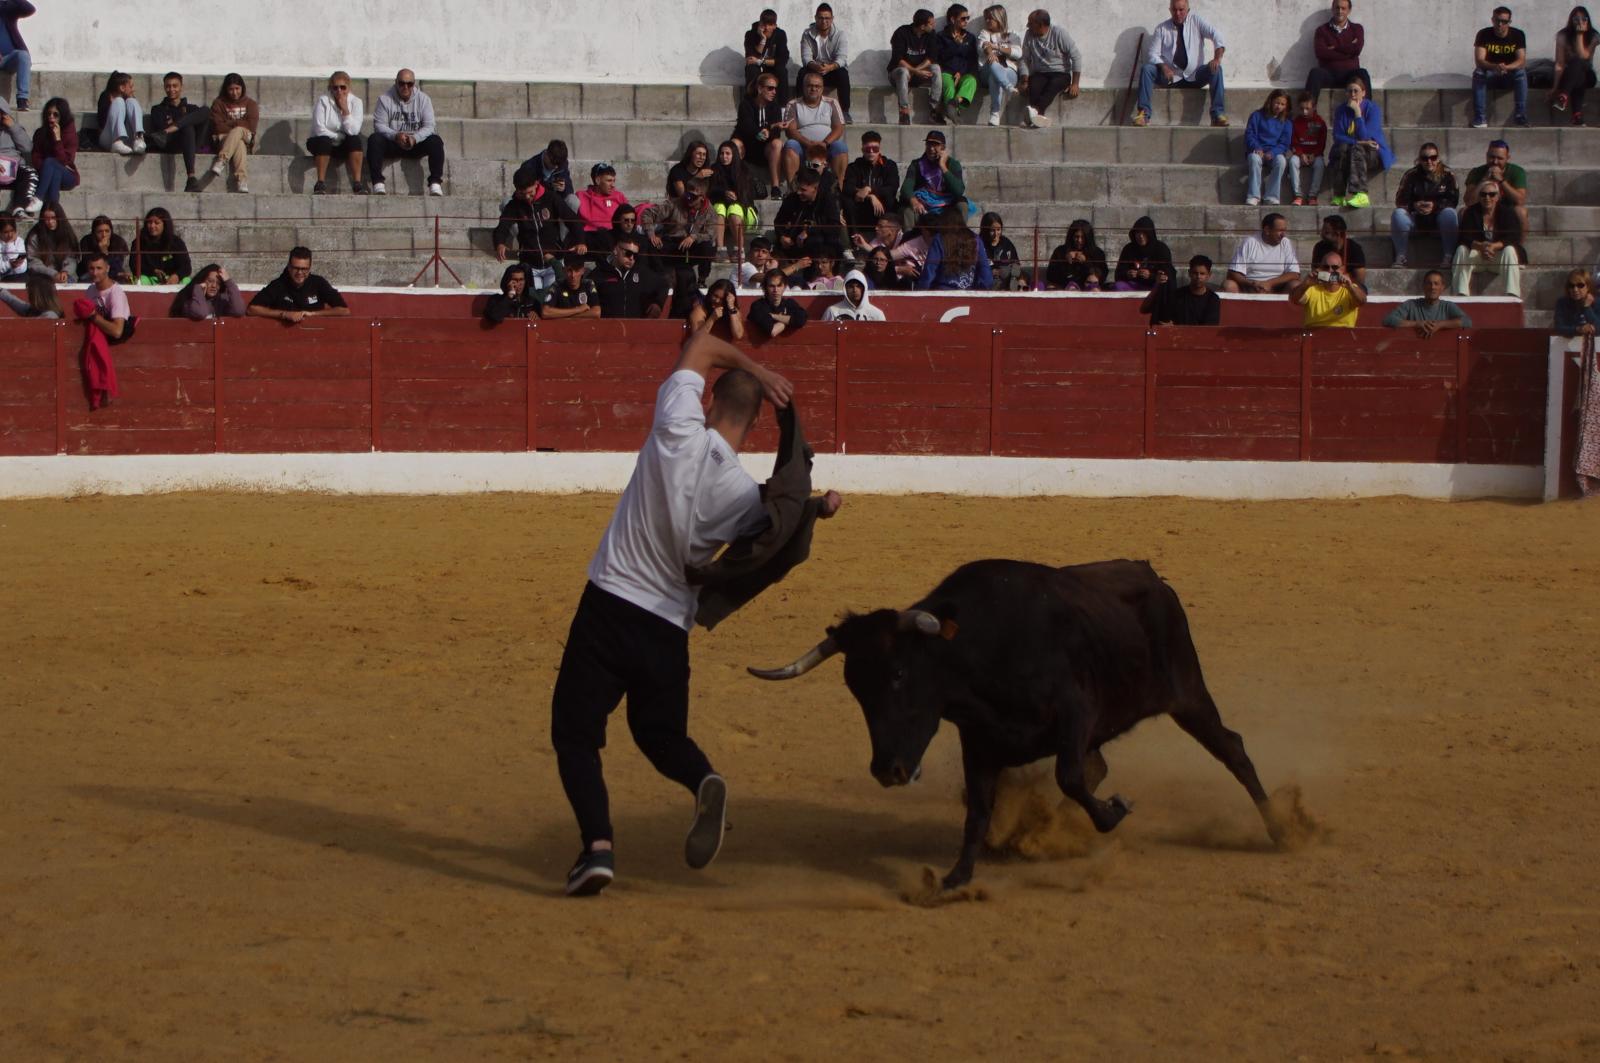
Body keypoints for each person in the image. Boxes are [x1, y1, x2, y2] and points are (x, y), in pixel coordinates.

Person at [549, 329, 831, 896]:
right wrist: (818, 508)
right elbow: (779, 524)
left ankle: (598, 848)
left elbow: (701, 343)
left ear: (709, 401)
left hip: (609, 606)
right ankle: (701, 776)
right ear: (753, 424)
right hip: (667, 629)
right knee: (658, 733)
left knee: (575, 734)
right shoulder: (745, 498)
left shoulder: (676, 426)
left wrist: (758, 367)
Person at [1134, 0, 1228, 128]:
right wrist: (1164, 67)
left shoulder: (1196, 21)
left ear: (1188, 10)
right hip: (1170, 77)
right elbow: (1152, 53)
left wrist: (1217, 58)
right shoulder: (1162, 28)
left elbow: (1216, 35)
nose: (1177, 13)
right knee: (1147, 69)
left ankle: (1217, 115)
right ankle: (1143, 114)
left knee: (1216, 69)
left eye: (1181, 10)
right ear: (1170, 10)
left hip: (1195, 75)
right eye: (1174, 10)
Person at [640, 176, 717, 317]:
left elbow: (711, 234)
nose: (689, 199)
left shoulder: (710, 212)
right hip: (672, 242)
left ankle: (702, 279)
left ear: (702, 197)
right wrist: (651, 234)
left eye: (693, 196)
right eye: (687, 194)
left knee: (708, 246)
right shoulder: (675, 203)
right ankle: (660, 275)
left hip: (693, 246)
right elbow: (647, 214)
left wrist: (694, 237)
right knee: (648, 245)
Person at [368, 69, 444, 197]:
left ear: (414, 84)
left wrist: (415, 138)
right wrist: (395, 135)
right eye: (402, 83)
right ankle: (377, 183)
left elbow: (430, 126)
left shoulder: (424, 99)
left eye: (409, 84)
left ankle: (435, 183)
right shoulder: (384, 99)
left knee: (436, 141)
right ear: (396, 82)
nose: (405, 87)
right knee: (374, 139)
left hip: (415, 143)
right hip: (394, 142)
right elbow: (379, 125)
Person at [1451, 179, 1525, 299]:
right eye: (1483, 194)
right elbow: (1464, 237)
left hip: (1498, 257)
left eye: (1492, 194)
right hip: (1477, 256)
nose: (1487, 197)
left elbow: (1513, 237)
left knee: (1510, 250)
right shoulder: (1471, 212)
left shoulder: (1507, 212)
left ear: (1498, 197)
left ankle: (1512, 295)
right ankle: (1460, 294)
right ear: (1479, 197)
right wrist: (1481, 246)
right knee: (1461, 250)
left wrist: (1493, 246)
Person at [1390, 143, 1461, 268]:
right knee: (1398, 214)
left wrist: (1435, 206)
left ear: (1438, 158)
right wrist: (1414, 205)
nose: (1429, 161)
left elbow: (1453, 200)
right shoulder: (1411, 175)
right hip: (1416, 218)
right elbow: (1400, 200)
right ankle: (1401, 256)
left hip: (1439, 220)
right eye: (1425, 158)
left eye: (1433, 158)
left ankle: (1448, 256)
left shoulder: (1448, 175)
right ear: (1419, 159)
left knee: (1450, 213)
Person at [1326, 79, 1391, 209]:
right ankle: (1339, 195)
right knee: (1342, 148)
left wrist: (1357, 113)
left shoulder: (1372, 109)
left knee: (1355, 148)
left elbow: (1366, 136)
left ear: (1364, 93)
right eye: (1349, 91)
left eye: (1356, 91)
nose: (1353, 94)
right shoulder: (1341, 110)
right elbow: (1338, 136)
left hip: (1372, 153)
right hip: (1350, 150)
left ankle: (1361, 193)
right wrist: (1358, 142)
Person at [145, 73, 212, 194]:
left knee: (206, 110)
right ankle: (191, 177)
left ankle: (173, 128)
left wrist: (172, 126)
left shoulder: (192, 108)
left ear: (181, 87)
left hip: (192, 145)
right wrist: (179, 125)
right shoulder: (157, 109)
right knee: (187, 127)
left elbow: (206, 115)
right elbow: (161, 132)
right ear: (164, 87)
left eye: (175, 86)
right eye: (168, 86)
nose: (171, 89)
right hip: (169, 143)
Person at [494, 169, 572, 271]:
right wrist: (500, 243)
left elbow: (572, 219)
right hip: (530, 262)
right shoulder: (515, 204)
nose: (527, 197)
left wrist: (580, 241)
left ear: (536, 184)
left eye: (530, 192)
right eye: (522, 193)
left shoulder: (551, 198)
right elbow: (502, 226)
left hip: (552, 258)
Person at [1017, 8, 1083, 129]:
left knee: (1053, 85)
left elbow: (1076, 57)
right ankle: (1038, 118)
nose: (1027, 26)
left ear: (1040, 25)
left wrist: (1075, 84)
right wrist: (1024, 80)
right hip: (1040, 72)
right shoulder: (1029, 35)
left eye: (1030, 23)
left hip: (1060, 73)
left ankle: (1035, 111)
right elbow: (1024, 59)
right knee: (1035, 85)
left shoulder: (1059, 33)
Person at [247, 247, 351, 323]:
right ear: (289, 267)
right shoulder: (278, 285)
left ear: (309, 268)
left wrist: (313, 314)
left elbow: (344, 310)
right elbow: (252, 309)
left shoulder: (319, 283)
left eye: (304, 269)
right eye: (296, 268)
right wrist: (284, 314)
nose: (300, 273)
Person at [783, 70, 847, 186]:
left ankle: (840, 187)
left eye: (817, 86)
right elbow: (790, 131)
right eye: (810, 86)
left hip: (826, 147)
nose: (814, 89)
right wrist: (808, 143)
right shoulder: (793, 104)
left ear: (822, 88)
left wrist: (824, 143)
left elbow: (839, 128)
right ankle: (792, 188)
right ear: (803, 87)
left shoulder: (832, 103)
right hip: (803, 148)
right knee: (790, 144)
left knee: (840, 146)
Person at [78, 252, 125, 409]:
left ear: (107, 268)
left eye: (99, 268)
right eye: (91, 268)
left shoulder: (116, 293)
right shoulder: (90, 291)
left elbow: (117, 331)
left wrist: (93, 317)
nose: (95, 272)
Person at [308, 71, 367, 195]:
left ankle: (357, 183)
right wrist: (338, 136)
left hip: (343, 143)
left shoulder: (356, 102)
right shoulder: (323, 101)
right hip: (320, 142)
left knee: (355, 140)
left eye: (343, 87)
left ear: (348, 88)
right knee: (324, 140)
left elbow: (353, 130)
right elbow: (319, 129)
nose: (339, 91)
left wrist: (345, 110)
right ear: (331, 88)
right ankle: (320, 183)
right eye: (335, 88)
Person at [732, 74, 787, 200]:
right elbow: (746, 127)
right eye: (770, 88)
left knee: (777, 143)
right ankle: (736, 185)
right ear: (759, 88)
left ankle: (775, 188)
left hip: (765, 149)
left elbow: (776, 133)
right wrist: (766, 129)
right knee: (735, 144)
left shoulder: (775, 107)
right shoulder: (746, 104)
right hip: (747, 145)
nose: (774, 92)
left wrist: (769, 131)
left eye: (775, 88)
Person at [1473, 6, 1529, 127]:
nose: (1500, 24)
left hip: (1509, 75)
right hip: (1490, 74)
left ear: (1509, 22)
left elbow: (1521, 60)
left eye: (1504, 22)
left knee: (1521, 73)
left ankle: (1520, 115)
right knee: (1478, 73)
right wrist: (1495, 67)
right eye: (1497, 20)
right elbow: (1479, 60)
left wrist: (1506, 68)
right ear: (1492, 20)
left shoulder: (1517, 34)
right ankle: (1480, 118)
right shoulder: (1483, 34)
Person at [899, 130, 965, 231]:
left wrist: (943, 167)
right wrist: (914, 201)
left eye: (935, 145)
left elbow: (959, 191)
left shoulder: (953, 164)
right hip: (923, 205)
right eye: (929, 144)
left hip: (946, 205)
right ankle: (909, 241)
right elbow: (906, 188)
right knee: (908, 211)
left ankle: (959, 239)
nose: (931, 148)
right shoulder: (917, 164)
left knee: (962, 205)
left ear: (943, 148)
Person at [1305, 0, 1371, 101]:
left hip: (1350, 75)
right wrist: (1348, 50)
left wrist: (1334, 47)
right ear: (1332, 9)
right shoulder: (1322, 30)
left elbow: (1356, 50)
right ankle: (1308, 111)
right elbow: (1321, 53)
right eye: (1337, 8)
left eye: (1343, 8)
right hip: (1328, 74)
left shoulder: (1357, 29)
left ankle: (1367, 111)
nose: (1340, 11)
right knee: (1315, 73)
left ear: (1349, 10)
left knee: (1363, 73)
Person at [1464, 139, 1530, 239]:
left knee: (1521, 212)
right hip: (1482, 209)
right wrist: (1483, 180)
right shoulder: (1477, 172)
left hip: (1507, 209)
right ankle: (1469, 245)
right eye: (1492, 157)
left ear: (1507, 158)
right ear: (1486, 156)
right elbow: (1468, 201)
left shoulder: (1517, 172)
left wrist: (1502, 181)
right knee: (1463, 211)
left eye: (1500, 158)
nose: (1495, 162)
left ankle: (1518, 248)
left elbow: (1520, 200)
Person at [889, 9, 945, 125]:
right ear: (922, 26)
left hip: (917, 73)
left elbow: (932, 57)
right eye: (931, 23)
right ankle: (904, 111)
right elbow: (898, 59)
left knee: (936, 68)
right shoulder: (901, 33)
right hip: (898, 74)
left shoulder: (931, 34)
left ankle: (934, 110)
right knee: (903, 71)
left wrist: (916, 71)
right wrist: (913, 71)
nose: (934, 25)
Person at [798, 4, 852, 123]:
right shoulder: (807, 34)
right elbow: (806, 58)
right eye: (821, 18)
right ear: (815, 18)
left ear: (832, 19)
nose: (824, 21)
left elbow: (842, 58)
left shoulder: (840, 35)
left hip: (832, 70)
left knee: (843, 73)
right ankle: (799, 108)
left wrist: (830, 67)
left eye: (827, 18)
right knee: (802, 73)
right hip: (815, 69)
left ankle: (845, 111)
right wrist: (816, 66)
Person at [839, 130, 899, 238]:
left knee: (891, 199)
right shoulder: (854, 167)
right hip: (862, 206)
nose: (871, 152)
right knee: (847, 200)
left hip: (882, 205)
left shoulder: (890, 166)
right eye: (867, 149)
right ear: (862, 149)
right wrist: (870, 196)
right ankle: (855, 240)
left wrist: (869, 190)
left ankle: (889, 238)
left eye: (875, 149)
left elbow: (892, 188)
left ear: (879, 150)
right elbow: (847, 188)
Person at [917, 204, 992, 290]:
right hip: (969, 295)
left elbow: (929, 272)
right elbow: (987, 277)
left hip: (942, 295)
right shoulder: (976, 239)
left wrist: (921, 290)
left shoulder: (939, 239)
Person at [774, 168, 843, 261]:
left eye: (803, 190)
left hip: (818, 244)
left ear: (815, 188)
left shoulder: (827, 200)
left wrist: (809, 231)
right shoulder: (791, 199)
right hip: (793, 243)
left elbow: (834, 227)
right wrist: (782, 236)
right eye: (798, 188)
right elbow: (779, 221)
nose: (799, 192)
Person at [1224, 213, 1300, 293]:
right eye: (1280, 230)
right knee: (1229, 285)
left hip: (1277, 288)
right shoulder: (1250, 242)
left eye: (1284, 230)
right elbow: (1232, 273)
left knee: (1296, 285)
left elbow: (1295, 273)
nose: (1283, 235)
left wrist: (1269, 283)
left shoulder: (1286, 243)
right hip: (1250, 288)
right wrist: (1253, 284)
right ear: (1267, 230)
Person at [708, 140, 759, 261]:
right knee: (719, 207)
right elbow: (710, 191)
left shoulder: (743, 170)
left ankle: (739, 249)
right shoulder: (714, 169)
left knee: (733, 209)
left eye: (727, 153)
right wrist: (724, 193)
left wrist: (734, 196)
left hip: (742, 209)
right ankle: (720, 249)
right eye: (721, 153)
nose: (724, 157)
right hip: (721, 208)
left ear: (734, 155)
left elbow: (746, 195)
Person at [208, 73, 258, 194]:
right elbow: (218, 126)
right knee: (239, 143)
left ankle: (222, 160)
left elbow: (251, 125)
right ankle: (241, 180)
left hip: (247, 136)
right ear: (226, 89)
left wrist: (230, 123)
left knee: (239, 131)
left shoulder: (250, 103)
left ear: (242, 88)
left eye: (237, 89)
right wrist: (240, 123)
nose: (234, 92)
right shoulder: (218, 103)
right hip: (225, 138)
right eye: (231, 89)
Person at [592, 235, 664, 319]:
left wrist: (658, 303)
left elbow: (663, 285)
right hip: (606, 328)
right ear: (615, 250)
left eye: (635, 255)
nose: (632, 258)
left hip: (634, 328)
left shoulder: (641, 273)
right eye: (628, 253)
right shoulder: (599, 273)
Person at [1289, 247, 1365, 327]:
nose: (1330, 271)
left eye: (1335, 267)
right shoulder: (1312, 288)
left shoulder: (1350, 289)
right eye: (1326, 267)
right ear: (1320, 269)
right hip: (1314, 336)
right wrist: (1305, 284)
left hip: (1343, 335)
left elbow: (1362, 301)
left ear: (1342, 269)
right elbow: (1295, 300)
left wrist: (1350, 287)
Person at [1382, 270, 1474, 335]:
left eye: (1436, 284)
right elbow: (1388, 319)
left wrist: (1440, 324)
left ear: (1442, 287)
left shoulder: (1447, 306)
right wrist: (1417, 324)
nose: (1432, 287)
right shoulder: (1411, 305)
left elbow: (1467, 321)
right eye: (1429, 283)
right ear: (1423, 286)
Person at [1550, 6, 1598, 125]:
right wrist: (1555, 87)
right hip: (1569, 76)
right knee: (1577, 76)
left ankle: (1564, 95)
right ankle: (1577, 115)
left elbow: (1584, 56)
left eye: (1583, 19)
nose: (1580, 22)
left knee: (1578, 62)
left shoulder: (1594, 36)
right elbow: (1560, 63)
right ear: (1571, 20)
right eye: (1576, 19)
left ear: (1588, 21)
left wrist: (1580, 35)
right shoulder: (1563, 35)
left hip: (1588, 75)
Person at [978, 5, 1024, 127]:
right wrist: (990, 53)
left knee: (995, 78)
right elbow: (983, 46)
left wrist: (997, 47)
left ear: (999, 18)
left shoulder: (1012, 34)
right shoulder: (985, 33)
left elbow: (1018, 53)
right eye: (986, 18)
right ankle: (1007, 86)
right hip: (986, 72)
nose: (987, 21)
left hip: (1010, 72)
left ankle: (995, 114)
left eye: (990, 18)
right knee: (993, 65)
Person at [1243, 89, 1291, 206]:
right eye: (1277, 103)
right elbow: (1250, 135)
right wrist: (1257, 147)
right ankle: (1253, 195)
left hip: (1273, 153)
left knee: (1281, 161)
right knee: (1254, 159)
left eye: (1282, 104)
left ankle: (1271, 196)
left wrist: (1273, 152)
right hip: (1257, 151)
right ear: (1270, 101)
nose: (1279, 106)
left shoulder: (1286, 122)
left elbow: (1284, 143)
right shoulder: (1257, 116)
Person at [1142, 255, 1221, 325]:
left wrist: (1176, 328)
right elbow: (1144, 309)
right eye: (1195, 273)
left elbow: (1208, 330)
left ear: (1209, 275)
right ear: (1189, 273)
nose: (1198, 277)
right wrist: (1157, 285)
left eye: (1202, 274)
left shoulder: (1213, 300)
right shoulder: (1177, 295)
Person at [936, 5, 982, 120]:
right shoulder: (941, 37)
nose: (966, 21)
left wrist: (960, 72)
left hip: (963, 72)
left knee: (971, 81)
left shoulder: (970, 38)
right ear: (952, 19)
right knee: (949, 86)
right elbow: (941, 57)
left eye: (968, 18)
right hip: (946, 71)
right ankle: (954, 113)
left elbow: (972, 60)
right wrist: (956, 45)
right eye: (963, 18)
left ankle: (956, 102)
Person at [575, 162, 630, 256]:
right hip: (590, 237)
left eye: (614, 181)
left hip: (614, 236)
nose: (613, 185)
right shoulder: (581, 196)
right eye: (609, 181)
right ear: (597, 180)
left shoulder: (619, 196)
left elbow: (630, 216)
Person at [28, 96, 74, 204]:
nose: (51, 117)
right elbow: (35, 157)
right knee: (54, 172)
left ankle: (38, 197)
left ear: (62, 116)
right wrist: (47, 170)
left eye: (55, 114)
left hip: (67, 174)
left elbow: (64, 161)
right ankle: (53, 208)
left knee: (51, 162)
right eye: (48, 114)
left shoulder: (69, 134)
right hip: (47, 173)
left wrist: (58, 139)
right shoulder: (40, 133)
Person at [514, 140, 577, 217]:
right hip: (537, 204)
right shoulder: (530, 166)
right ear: (546, 154)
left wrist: (564, 188)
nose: (556, 167)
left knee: (573, 200)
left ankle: (567, 229)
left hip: (556, 203)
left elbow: (569, 190)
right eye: (553, 163)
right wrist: (550, 186)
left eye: (558, 164)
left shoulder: (562, 164)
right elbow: (525, 192)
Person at [130, 207, 191, 285]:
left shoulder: (176, 242)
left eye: (156, 223)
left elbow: (186, 266)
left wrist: (177, 276)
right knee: (142, 280)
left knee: (187, 281)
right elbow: (134, 265)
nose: (152, 226)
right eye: (149, 222)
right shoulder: (138, 242)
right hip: (150, 278)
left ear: (165, 224)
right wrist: (152, 271)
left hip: (172, 279)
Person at [1113, 216, 1174, 292]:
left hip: (1154, 286)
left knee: (1163, 284)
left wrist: (1151, 276)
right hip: (1134, 285)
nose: (1141, 236)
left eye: (1144, 233)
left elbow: (1168, 275)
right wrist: (1128, 274)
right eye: (1138, 233)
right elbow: (1118, 274)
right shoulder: (1128, 249)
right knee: (1118, 286)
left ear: (1150, 234)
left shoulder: (1161, 249)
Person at [0, 92, 38, 215]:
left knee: (30, 173)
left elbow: (27, 148)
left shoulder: (14, 128)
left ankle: (20, 207)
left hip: (13, 166)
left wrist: (12, 127)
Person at [1289, 90, 1328, 206]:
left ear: (1314, 107)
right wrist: (1301, 154)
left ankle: (1312, 195)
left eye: (1308, 108)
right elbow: (1294, 142)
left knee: (1320, 164)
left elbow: (1322, 143)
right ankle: (1298, 195)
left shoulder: (1320, 123)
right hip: (1300, 154)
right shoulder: (1295, 123)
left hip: (1315, 155)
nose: (1305, 112)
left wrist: (1314, 154)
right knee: (1292, 161)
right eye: (1302, 109)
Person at [744, 9, 791, 105]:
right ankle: (751, 105)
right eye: (763, 24)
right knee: (751, 69)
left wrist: (760, 61)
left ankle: (782, 107)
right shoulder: (750, 34)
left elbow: (782, 60)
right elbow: (750, 58)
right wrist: (762, 40)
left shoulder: (780, 34)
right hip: (757, 69)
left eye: (769, 25)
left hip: (771, 69)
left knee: (782, 70)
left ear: (774, 26)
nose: (765, 28)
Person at [1044, 218, 1107, 291]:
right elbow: (1050, 275)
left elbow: (1103, 275)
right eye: (1076, 237)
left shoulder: (1097, 252)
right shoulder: (1060, 251)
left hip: (1089, 287)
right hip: (1065, 286)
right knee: (1051, 287)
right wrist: (1066, 261)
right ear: (1071, 237)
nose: (1079, 240)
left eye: (1083, 237)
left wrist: (1086, 262)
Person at [1310, 214, 1366, 291]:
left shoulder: (1354, 248)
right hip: (1325, 285)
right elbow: (1316, 274)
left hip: (1348, 286)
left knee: (1361, 289)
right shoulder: (1319, 247)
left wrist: (1344, 279)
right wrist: (1337, 277)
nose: (1322, 234)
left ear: (1337, 234)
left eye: (1326, 232)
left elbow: (1360, 279)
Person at [96, 73, 146, 156]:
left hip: (127, 138)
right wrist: (115, 106)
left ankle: (139, 138)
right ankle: (117, 141)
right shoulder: (105, 97)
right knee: (119, 101)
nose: (133, 89)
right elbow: (102, 122)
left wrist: (130, 99)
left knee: (132, 102)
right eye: (131, 86)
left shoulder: (129, 99)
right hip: (109, 137)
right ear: (122, 88)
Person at [748, 268, 808, 336]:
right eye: (771, 286)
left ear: (784, 287)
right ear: (765, 288)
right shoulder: (758, 306)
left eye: (779, 285)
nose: (775, 290)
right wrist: (787, 320)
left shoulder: (789, 303)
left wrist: (773, 316)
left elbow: (801, 319)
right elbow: (772, 330)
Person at [172, 264, 245, 320]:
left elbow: (239, 311)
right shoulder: (190, 301)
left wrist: (228, 281)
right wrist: (198, 289)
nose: (214, 286)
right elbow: (200, 313)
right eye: (210, 281)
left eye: (218, 283)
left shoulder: (221, 300)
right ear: (202, 281)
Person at [25, 200, 74, 282]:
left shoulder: (67, 234)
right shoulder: (35, 236)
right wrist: (53, 274)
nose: (50, 222)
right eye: (47, 219)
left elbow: (71, 258)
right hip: (42, 276)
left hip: (64, 275)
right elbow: (33, 261)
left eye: (53, 218)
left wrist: (65, 271)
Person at [542, 255, 602, 320]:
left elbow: (596, 312)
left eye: (577, 270)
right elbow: (545, 312)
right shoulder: (557, 285)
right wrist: (578, 309)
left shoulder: (588, 284)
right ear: (564, 270)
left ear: (583, 270)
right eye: (569, 270)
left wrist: (565, 317)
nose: (573, 275)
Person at [0, 1, 34, 113]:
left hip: (9, 58)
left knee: (23, 55)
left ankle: (22, 99)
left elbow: (29, 9)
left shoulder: (6, 8)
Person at [76, 215, 130, 284]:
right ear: (94, 233)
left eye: (107, 231)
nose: (104, 235)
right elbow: (88, 265)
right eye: (100, 232)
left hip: (113, 273)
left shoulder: (118, 241)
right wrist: (101, 251)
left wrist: (105, 252)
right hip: (91, 273)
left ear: (111, 231)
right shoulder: (86, 241)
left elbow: (117, 267)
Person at [981, 212, 1025, 290]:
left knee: (1022, 276)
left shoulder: (1006, 243)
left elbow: (1016, 263)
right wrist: (994, 272)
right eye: (992, 230)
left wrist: (1021, 279)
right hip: (989, 278)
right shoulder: (980, 244)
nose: (995, 234)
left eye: (998, 230)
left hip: (1009, 275)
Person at [821, 269, 886, 321]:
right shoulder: (832, 311)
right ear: (845, 288)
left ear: (864, 288)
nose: (855, 290)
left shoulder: (877, 314)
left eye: (858, 286)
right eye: (851, 286)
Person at [1555, 268, 1600, 337]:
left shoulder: (1597, 302)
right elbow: (1559, 327)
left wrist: (1587, 308)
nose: (1575, 289)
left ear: (1588, 287)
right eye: (1571, 286)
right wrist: (1578, 329)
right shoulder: (1562, 303)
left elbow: (1598, 327)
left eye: (1580, 285)